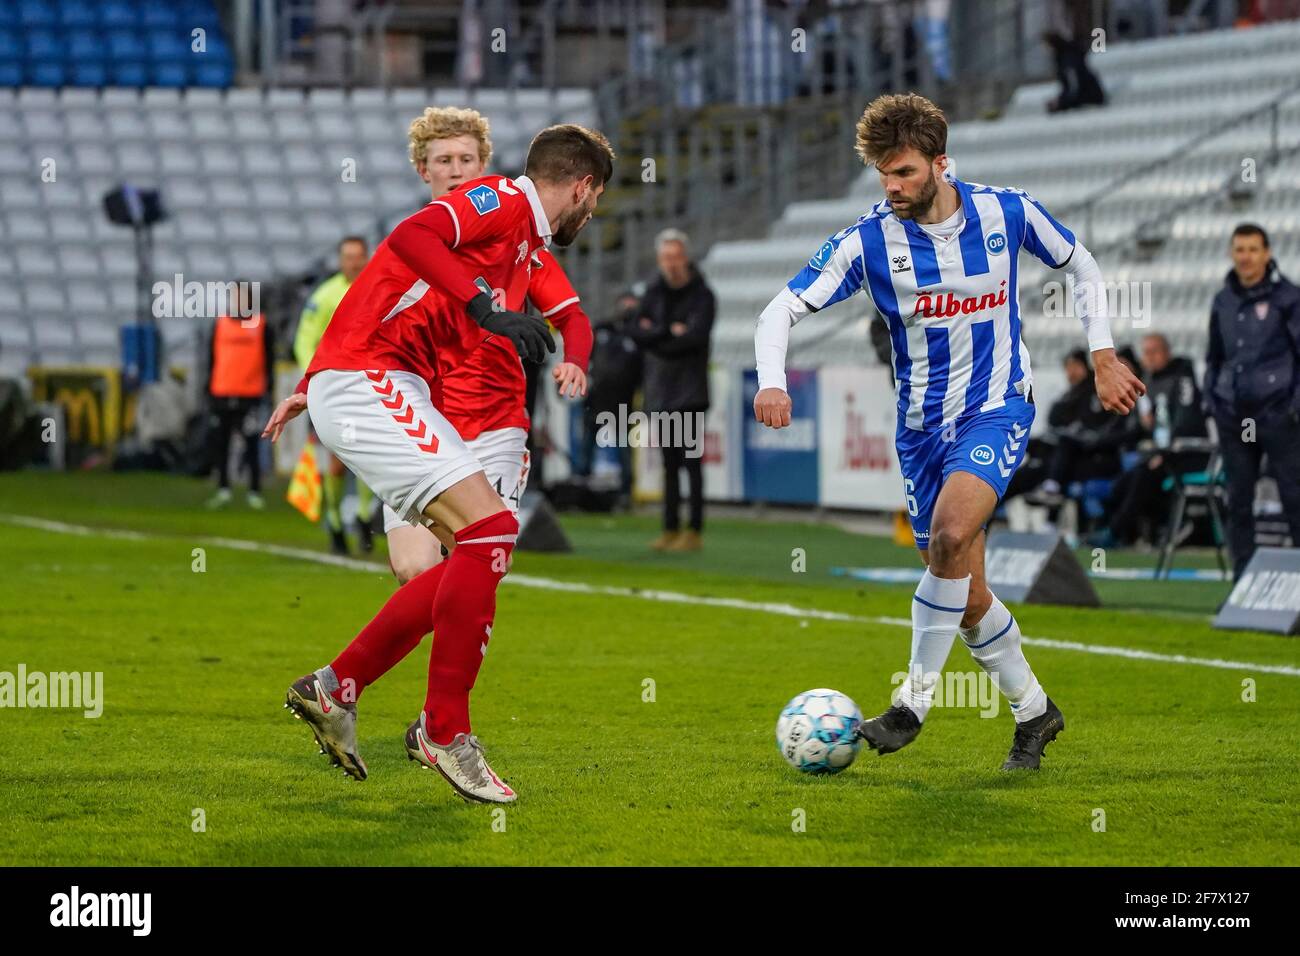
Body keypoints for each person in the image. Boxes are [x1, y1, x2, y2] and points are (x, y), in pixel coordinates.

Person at [753, 93, 1142, 770]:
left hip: (997, 407)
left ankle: (912, 703)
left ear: (940, 162)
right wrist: (772, 380)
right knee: (963, 592)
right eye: (883, 174)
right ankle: (1035, 714)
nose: (892, 187)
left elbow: (1081, 264)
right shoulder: (869, 241)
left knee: (951, 537)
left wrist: (1103, 353)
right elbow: (778, 311)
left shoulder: (1005, 211)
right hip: (920, 431)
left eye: (903, 171)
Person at [263, 124, 614, 803]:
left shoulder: (525, 245)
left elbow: (385, 287)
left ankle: (338, 688)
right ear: (583, 187)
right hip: (374, 381)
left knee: (478, 549)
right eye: (594, 201)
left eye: (465, 159)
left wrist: (310, 384)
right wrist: (484, 308)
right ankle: (443, 730)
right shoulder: (504, 202)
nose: (592, 213)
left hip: (397, 390)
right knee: (480, 540)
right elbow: (408, 240)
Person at [376, 106, 594, 584]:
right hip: (417, 421)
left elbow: (572, 316)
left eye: (467, 160)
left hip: (493, 423)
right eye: (444, 160)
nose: (456, 171)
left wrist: (575, 360)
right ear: (422, 169)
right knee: (415, 568)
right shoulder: (409, 248)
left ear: (485, 166)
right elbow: (362, 333)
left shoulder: (520, 244)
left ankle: (432, 658)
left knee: (479, 564)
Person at [1205, 222, 1300, 579]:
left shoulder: (1289, 298)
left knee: (1295, 499)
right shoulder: (1223, 300)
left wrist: (1293, 408)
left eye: (1253, 249)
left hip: (1279, 416)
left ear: (1267, 253)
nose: (1246, 257)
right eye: (1239, 249)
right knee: (1238, 503)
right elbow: (1214, 357)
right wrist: (1212, 400)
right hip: (1233, 417)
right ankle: (1243, 585)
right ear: (1232, 253)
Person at [630, 228, 716, 552]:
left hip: (690, 393)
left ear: (686, 257)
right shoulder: (653, 291)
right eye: (666, 257)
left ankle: (693, 530)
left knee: (691, 464)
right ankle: (669, 528)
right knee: (668, 464)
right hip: (661, 390)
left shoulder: (703, 295)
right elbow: (635, 330)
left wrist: (657, 335)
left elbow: (694, 338)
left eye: (676, 256)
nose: (671, 263)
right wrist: (669, 332)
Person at [294, 235, 377, 554]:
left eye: (358, 257)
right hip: (333, 390)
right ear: (340, 260)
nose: (354, 263)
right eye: (348, 257)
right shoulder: (325, 295)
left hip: (369, 387)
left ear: (366, 258)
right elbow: (305, 340)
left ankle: (363, 517)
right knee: (337, 463)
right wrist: (313, 380)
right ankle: (335, 520)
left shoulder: (376, 291)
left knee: (369, 458)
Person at [1093, 333, 1207, 548]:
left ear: (1167, 352)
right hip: (1161, 455)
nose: (1150, 357)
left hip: (1186, 455)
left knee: (1143, 477)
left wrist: (1164, 453)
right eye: (1146, 353)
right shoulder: (1149, 382)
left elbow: (1187, 422)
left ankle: (1115, 534)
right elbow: (1147, 426)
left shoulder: (1182, 378)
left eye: (1154, 352)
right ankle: (1124, 531)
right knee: (1121, 484)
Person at [205, 283, 273, 510]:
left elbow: (269, 359)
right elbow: (210, 359)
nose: (238, 300)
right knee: (220, 444)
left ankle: (254, 490)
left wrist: (267, 389)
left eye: (242, 295)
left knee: (252, 444)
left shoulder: (261, 324)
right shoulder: (220, 324)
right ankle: (223, 488)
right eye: (235, 296)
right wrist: (208, 390)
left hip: (250, 394)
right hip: (222, 393)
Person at [577, 290, 643, 498]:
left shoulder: (639, 336)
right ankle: (581, 487)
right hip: (597, 397)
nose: (627, 310)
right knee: (588, 441)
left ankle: (625, 491)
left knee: (624, 445)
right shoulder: (602, 329)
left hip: (623, 399)